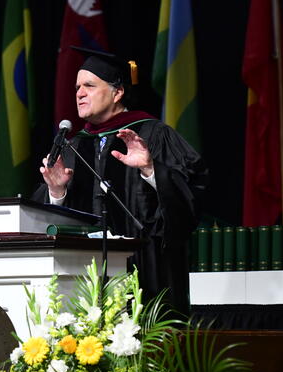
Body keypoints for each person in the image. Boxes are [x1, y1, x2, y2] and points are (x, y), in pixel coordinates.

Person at [32, 48, 208, 317]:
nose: (79, 93)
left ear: (117, 92)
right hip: (83, 280)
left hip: (146, 273)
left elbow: (191, 196)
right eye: (77, 86)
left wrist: (151, 169)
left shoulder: (152, 134)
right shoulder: (75, 144)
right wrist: (57, 191)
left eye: (89, 86)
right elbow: (45, 218)